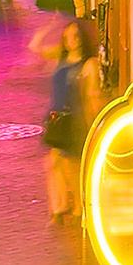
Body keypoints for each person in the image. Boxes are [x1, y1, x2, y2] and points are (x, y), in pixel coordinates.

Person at [39, 16, 104, 222]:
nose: (72, 40)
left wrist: (95, 125)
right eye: (68, 36)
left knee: (71, 169)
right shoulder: (62, 57)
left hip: (74, 121)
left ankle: (78, 209)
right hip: (57, 120)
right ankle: (61, 207)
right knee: (53, 164)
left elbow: (93, 96)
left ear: (83, 38)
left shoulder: (89, 64)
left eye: (76, 36)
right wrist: (49, 26)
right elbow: (36, 47)